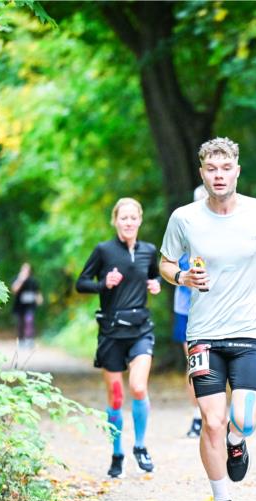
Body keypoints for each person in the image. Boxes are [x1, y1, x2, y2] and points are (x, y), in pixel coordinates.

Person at [160, 137, 256, 501]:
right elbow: (166, 263)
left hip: (250, 328)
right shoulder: (184, 218)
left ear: (237, 170)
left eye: (225, 168)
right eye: (211, 170)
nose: (219, 176)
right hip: (203, 333)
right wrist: (181, 276)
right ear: (203, 173)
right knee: (212, 420)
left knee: (244, 418)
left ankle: (238, 442)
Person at [76, 197, 162, 479]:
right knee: (115, 397)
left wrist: (156, 284)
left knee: (138, 387)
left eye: (132, 217)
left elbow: (155, 277)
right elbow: (81, 283)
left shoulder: (149, 250)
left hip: (140, 328)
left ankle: (140, 446)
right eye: (123, 218)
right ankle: (117, 453)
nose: (128, 222)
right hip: (112, 331)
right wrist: (103, 284)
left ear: (140, 220)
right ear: (115, 221)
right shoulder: (103, 251)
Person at [174, 185, 209, 438]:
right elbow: (169, 266)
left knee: (221, 363)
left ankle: (215, 414)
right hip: (187, 310)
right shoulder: (182, 231)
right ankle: (197, 416)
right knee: (195, 363)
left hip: (218, 308)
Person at [11, 262, 42, 349]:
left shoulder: (33, 281)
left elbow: (37, 292)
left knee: (29, 320)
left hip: (30, 306)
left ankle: (29, 340)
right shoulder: (17, 279)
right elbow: (14, 289)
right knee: (20, 323)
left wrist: (39, 299)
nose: (25, 271)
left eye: (27, 269)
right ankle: (21, 341)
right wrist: (21, 279)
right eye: (24, 269)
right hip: (19, 306)